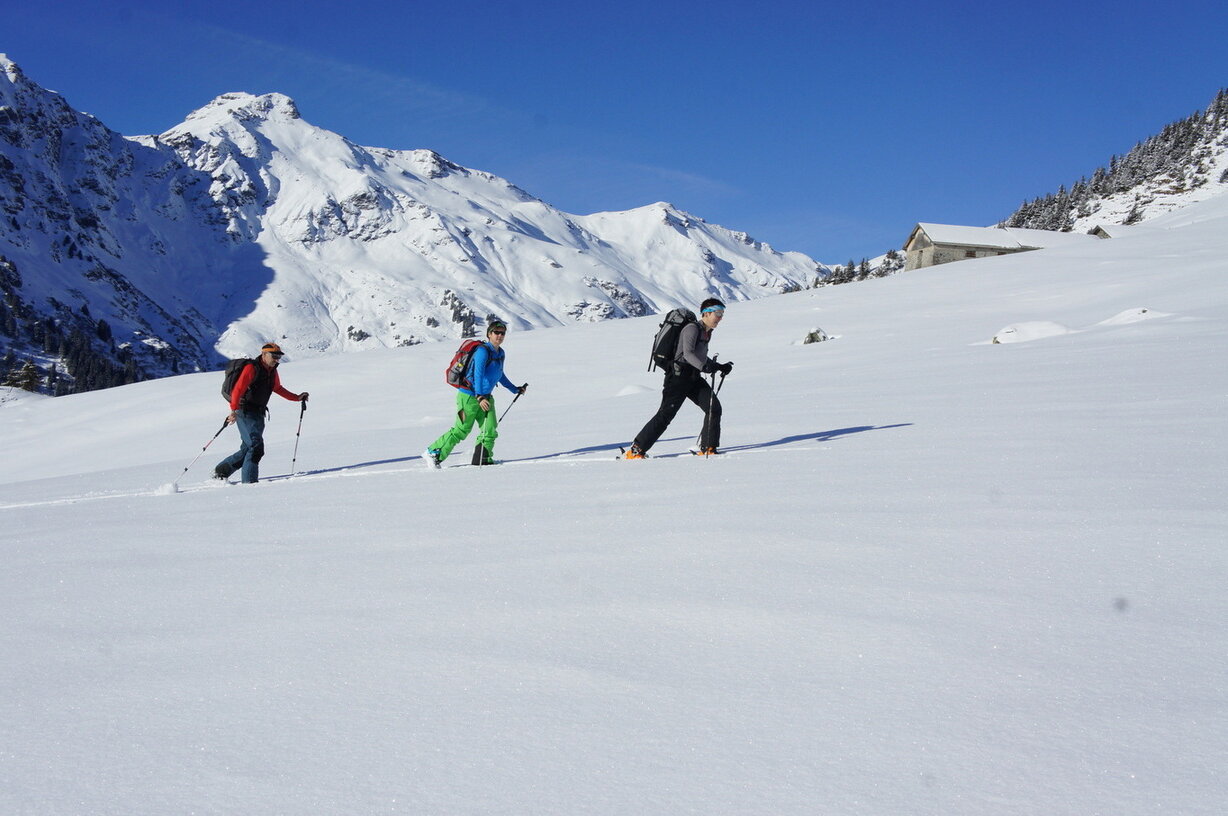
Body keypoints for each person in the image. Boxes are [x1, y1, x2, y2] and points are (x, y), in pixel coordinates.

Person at [624, 298, 733, 458]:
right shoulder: (692, 329)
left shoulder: (706, 332)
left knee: (713, 408)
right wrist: (704, 367)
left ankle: (709, 448)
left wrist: (719, 366)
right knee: (665, 415)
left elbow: (701, 356)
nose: (720, 317)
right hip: (677, 378)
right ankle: (636, 449)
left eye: (722, 313)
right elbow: (687, 354)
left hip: (693, 377)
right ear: (706, 313)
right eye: (718, 313)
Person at [425, 320, 527, 467]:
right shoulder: (482, 352)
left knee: (490, 428)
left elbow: (499, 374)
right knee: (462, 429)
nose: (499, 336)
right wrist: (479, 396)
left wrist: (515, 389)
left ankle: (482, 458)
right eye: (496, 332)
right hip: (469, 397)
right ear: (489, 334)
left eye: (502, 333)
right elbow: (477, 375)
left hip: (486, 398)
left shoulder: (500, 353)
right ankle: (434, 452)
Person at [214, 343, 308, 483]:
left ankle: (221, 472)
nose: (276, 359)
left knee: (248, 447)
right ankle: (250, 484)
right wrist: (233, 410)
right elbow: (238, 390)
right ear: (264, 354)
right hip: (244, 412)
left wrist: (296, 397)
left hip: (258, 413)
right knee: (255, 446)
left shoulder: (272, 371)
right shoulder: (252, 368)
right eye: (274, 356)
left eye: (278, 357)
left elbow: (277, 388)